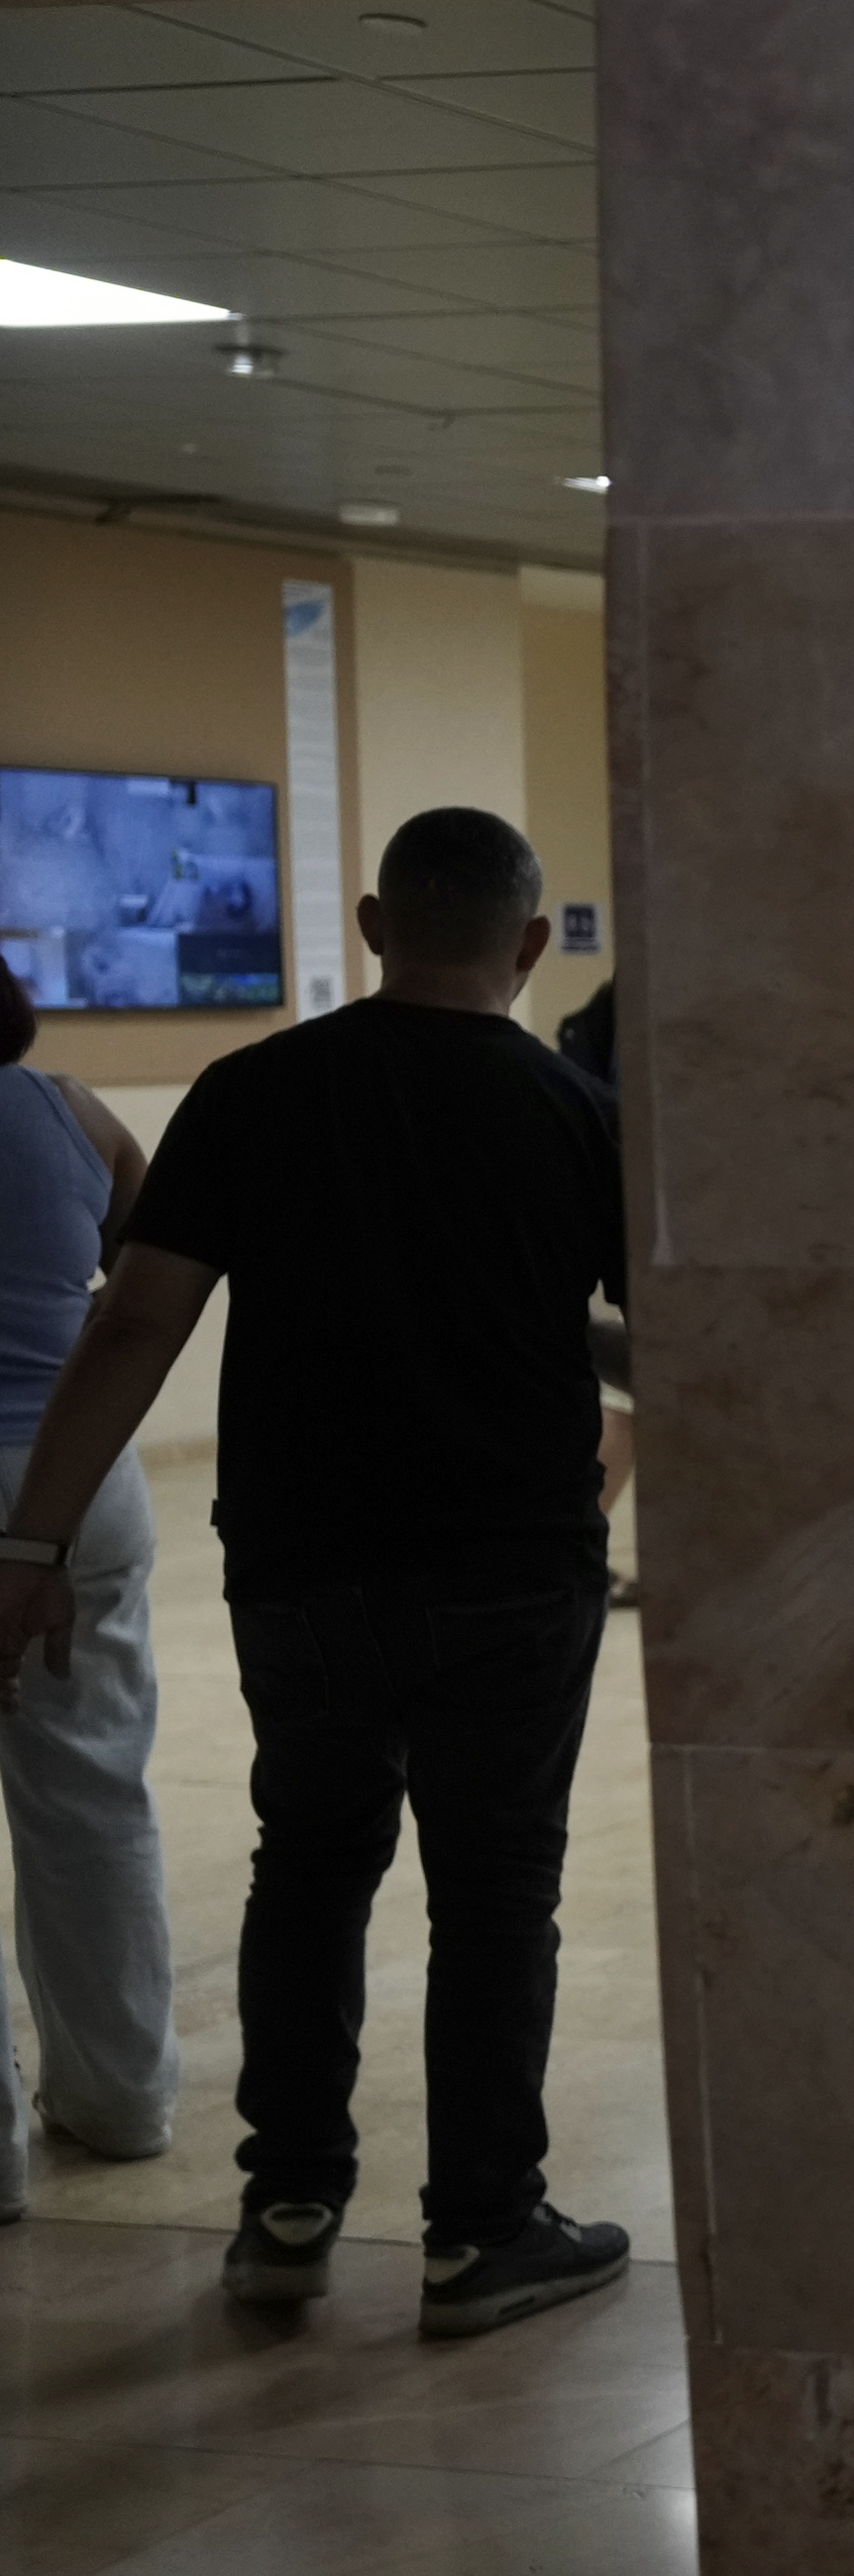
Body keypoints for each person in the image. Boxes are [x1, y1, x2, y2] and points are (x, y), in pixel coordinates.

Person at [0, 806, 632, 2335]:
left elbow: (137, 1320)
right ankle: (482, 2232)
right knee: (497, 1894)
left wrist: (30, 1538)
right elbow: (659, 1332)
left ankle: (286, 2207)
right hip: (512, 1565)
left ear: (368, 923)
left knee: (310, 1863)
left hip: (301, 1563)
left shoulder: (253, 1092)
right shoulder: (577, 1111)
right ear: (534, 943)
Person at [0, 956, 169, 2218]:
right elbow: (146, 1270)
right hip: (78, 1487)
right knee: (94, 1795)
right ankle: (119, 2101)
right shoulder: (73, 1109)